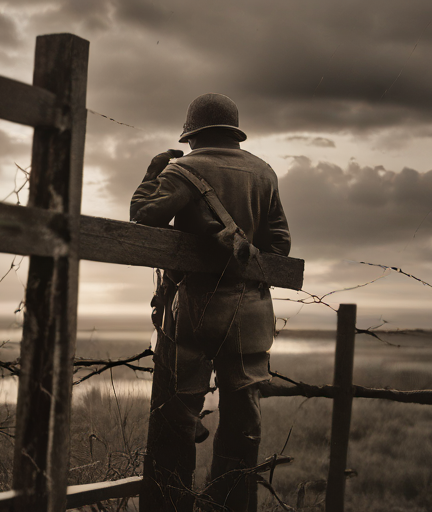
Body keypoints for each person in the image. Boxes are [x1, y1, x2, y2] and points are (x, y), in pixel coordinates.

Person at [130, 93, 291, 512]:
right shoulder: (265, 172)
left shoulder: (185, 168)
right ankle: (230, 504)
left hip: (195, 310)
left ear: (191, 135)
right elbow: (280, 244)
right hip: (252, 315)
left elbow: (143, 214)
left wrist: (154, 170)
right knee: (244, 422)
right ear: (234, 132)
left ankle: (172, 503)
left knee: (177, 418)